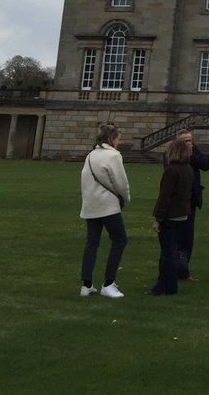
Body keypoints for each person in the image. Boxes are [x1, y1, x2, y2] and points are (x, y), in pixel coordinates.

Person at [78, 123, 130, 298]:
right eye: (118, 139)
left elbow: (84, 180)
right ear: (112, 139)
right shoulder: (113, 156)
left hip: (91, 204)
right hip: (107, 205)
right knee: (120, 240)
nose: (119, 143)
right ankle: (108, 283)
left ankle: (86, 285)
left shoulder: (91, 155)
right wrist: (126, 198)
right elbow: (121, 183)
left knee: (92, 243)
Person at [165, 129, 209, 281]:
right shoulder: (171, 155)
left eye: (189, 140)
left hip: (191, 201)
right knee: (175, 238)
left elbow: (206, 165)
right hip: (177, 203)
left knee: (188, 238)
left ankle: (183, 271)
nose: (188, 144)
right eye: (184, 141)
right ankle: (174, 269)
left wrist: (192, 156)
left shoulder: (195, 152)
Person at [151, 137, 193, 296]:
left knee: (167, 252)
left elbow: (165, 197)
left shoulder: (171, 170)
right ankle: (166, 284)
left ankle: (166, 285)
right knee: (171, 249)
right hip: (183, 214)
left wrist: (157, 218)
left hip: (171, 216)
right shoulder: (187, 169)